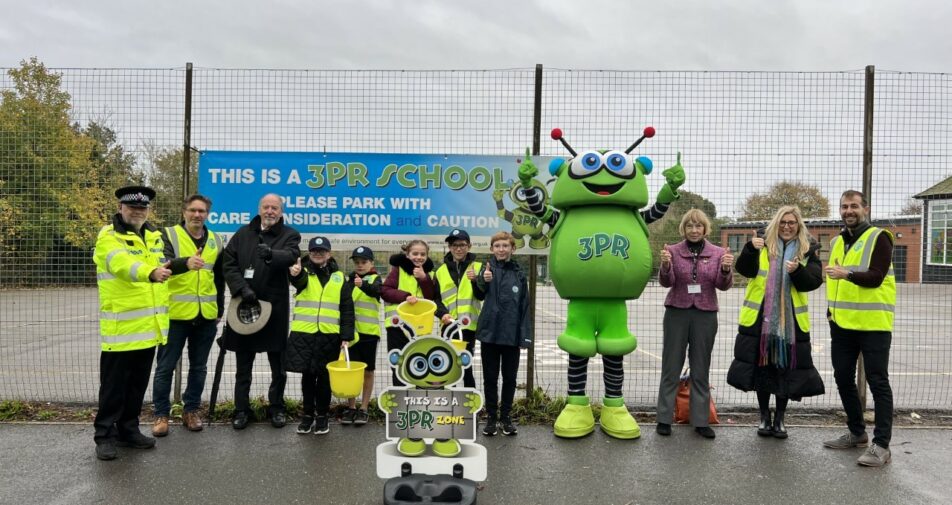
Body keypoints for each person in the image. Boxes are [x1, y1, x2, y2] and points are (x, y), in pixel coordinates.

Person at [727, 205, 825, 439]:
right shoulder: (761, 244)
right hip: (761, 320)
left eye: (791, 223)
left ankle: (780, 418)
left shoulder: (807, 249)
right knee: (762, 369)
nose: (787, 227)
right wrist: (750, 249)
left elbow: (813, 281)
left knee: (784, 370)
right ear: (776, 224)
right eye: (783, 222)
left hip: (790, 323)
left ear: (798, 225)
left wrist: (796, 272)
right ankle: (764, 417)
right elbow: (745, 270)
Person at [92, 185, 171, 461]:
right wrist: (150, 272)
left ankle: (128, 430)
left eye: (142, 208)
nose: (138, 211)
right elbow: (121, 265)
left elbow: (165, 267)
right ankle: (104, 435)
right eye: (132, 207)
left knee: (137, 386)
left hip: (148, 329)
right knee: (113, 387)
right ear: (120, 208)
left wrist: (181, 265)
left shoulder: (153, 237)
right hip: (121, 330)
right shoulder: (108, 237)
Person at [822, 190, 896, 467]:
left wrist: (847, 274)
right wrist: (831, 312)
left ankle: (882, 445)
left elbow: (876, 277)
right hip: (842, 324)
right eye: (844, 206)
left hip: (873, 324)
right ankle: (857, 433)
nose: (848, 211)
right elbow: (833, 281)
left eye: (854, 206)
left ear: (866, 209)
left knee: (878, 382)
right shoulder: (837, 241)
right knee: (842, 377)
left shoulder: (880, 238)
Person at [221, 193, 301, 430]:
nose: (270, 211)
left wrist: (271, 255)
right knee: (243, 365)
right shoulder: (243, 233)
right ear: (259, 209)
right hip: (245, 306)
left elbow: (291, 255)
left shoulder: (290, 234)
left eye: (274, 208)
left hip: (274, 309)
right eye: (266, 207)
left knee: (278, 366)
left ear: (281, 211)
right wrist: (240, 288)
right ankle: (241, 410)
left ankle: (276, 408)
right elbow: (228, 263)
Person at [655, 209, 734, 439]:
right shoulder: (672, 251)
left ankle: (700, 421)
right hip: (677, 313)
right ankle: (663, 418)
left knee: (700, 367)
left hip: (705, 315)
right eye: (689, 226)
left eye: (698, 226)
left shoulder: (718, 253)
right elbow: (666, 282)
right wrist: (666, 266)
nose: (694, 230)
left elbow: (722, 285)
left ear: (705, 228)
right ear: (684, 228)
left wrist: (726, 269)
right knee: (671, 366)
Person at [151, 194, 225, 437]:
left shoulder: (215, 239)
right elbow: (162, 265)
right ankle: (161, 414)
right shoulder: (168, 235)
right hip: (175, 314)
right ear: (184, 212)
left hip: (205, 315)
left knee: (199, 367)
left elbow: (219, 277)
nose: (197, 215)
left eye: (202, 211)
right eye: (193, 210)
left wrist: (219, 309)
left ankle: (191, 410)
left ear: (207, 214)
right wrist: (185, 263)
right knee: (165, 367)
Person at [287, 236, 355, 435]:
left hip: (329, 335)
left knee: (325, 379)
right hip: (305, 334)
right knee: (307, 377)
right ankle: (308, 416)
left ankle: (323, 416)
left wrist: (346, 335)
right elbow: (297, 282)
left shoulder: (339, 277)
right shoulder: (303, 272)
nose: (318, 253)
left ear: (329, 253)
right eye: (314, 250)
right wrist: (295, 274)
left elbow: (347, 309)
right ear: (309, 253)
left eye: (322, 250)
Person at [474, 231, 531, 437]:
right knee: (490, 378)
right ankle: (491, 418)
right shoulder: (485, 269)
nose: (501, 249)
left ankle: (506, 418)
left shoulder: (519, 273)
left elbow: (524, 306)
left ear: (512, 249)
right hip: (489, 334)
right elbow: (478, 294)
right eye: (497, 246)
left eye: (505, 246)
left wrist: (524, 336)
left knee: (510, 378)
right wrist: (482, 280)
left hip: (511, 335)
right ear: (492, 249)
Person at [380, 239, 437, 386]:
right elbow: (385, 291)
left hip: (421, 328)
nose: (419, 257)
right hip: (398, 327)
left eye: (422, 254)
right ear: (407, 254)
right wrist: (405, 296)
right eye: (415, 253)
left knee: (419, 365)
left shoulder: (429, 273)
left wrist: (424, 279)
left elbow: (431, 297)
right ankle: (400, 402)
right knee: (399, 364)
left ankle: (417, 401)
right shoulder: (398, 270)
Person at [433, 229, 483, 389]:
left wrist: (476, 281)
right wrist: (442, 314)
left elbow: (482, 295)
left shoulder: (478, 267)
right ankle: (449, 402)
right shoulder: (440, 271)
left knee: (466, 367)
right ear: (449, 247)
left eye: (462, 245)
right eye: (454, 245)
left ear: (469, 246)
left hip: (469, 327)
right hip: (448, 326)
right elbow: (435, 299)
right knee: (448, 366)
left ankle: (470, 405)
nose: (458, 249)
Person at [341, 246, 382, 426]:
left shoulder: (376, 279)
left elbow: (376, 292)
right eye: (357, 262)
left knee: (368, 371)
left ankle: (364, 408)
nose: (360, 265)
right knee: (351, 371)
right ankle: (351, 407)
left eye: (364, 262)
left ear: (371, 263)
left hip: (369, 333)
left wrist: (362, 284)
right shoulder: (347, 280)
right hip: (350, 334)